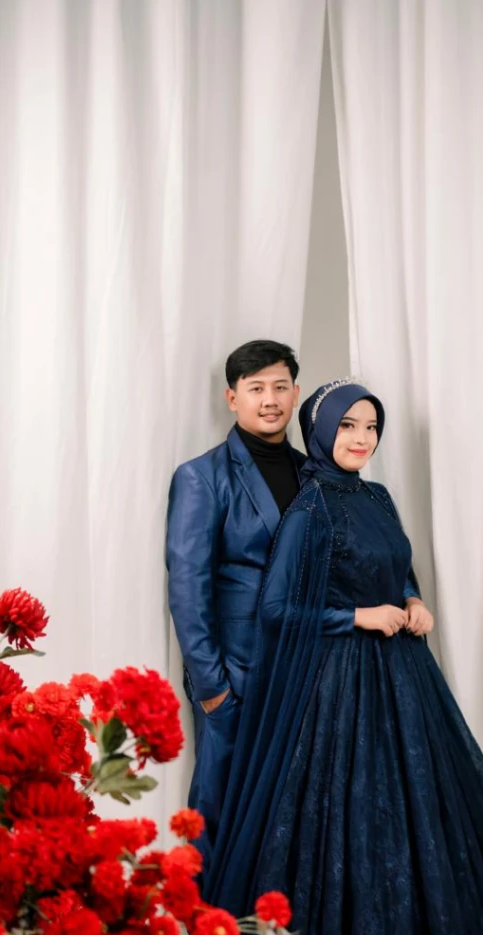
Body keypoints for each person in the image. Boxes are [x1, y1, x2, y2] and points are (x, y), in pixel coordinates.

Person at [205, 379, 483, 935]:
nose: (361, 438)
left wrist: (413, 599)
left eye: (370, 427)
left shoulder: (378, 497)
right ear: (321, 431)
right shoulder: (309, 508)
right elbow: (277, 610)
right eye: (347, 426)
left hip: (402, 673)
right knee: (347, 812)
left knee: (424, 805)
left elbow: (398, 567)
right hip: (335, 684)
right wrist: (356, 616)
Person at [166, 340, 306, 874]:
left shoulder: (314, 474)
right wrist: (212, 688)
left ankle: (275, 923)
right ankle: (203, 921)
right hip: (235, 674)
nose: (270, 400)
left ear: (295, 393)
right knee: (218, 814)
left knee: (292, 811)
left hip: (306, 669)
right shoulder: (201, 476)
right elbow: (188, 587)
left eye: (279, 387)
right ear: (232, 398)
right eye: (256, 389)